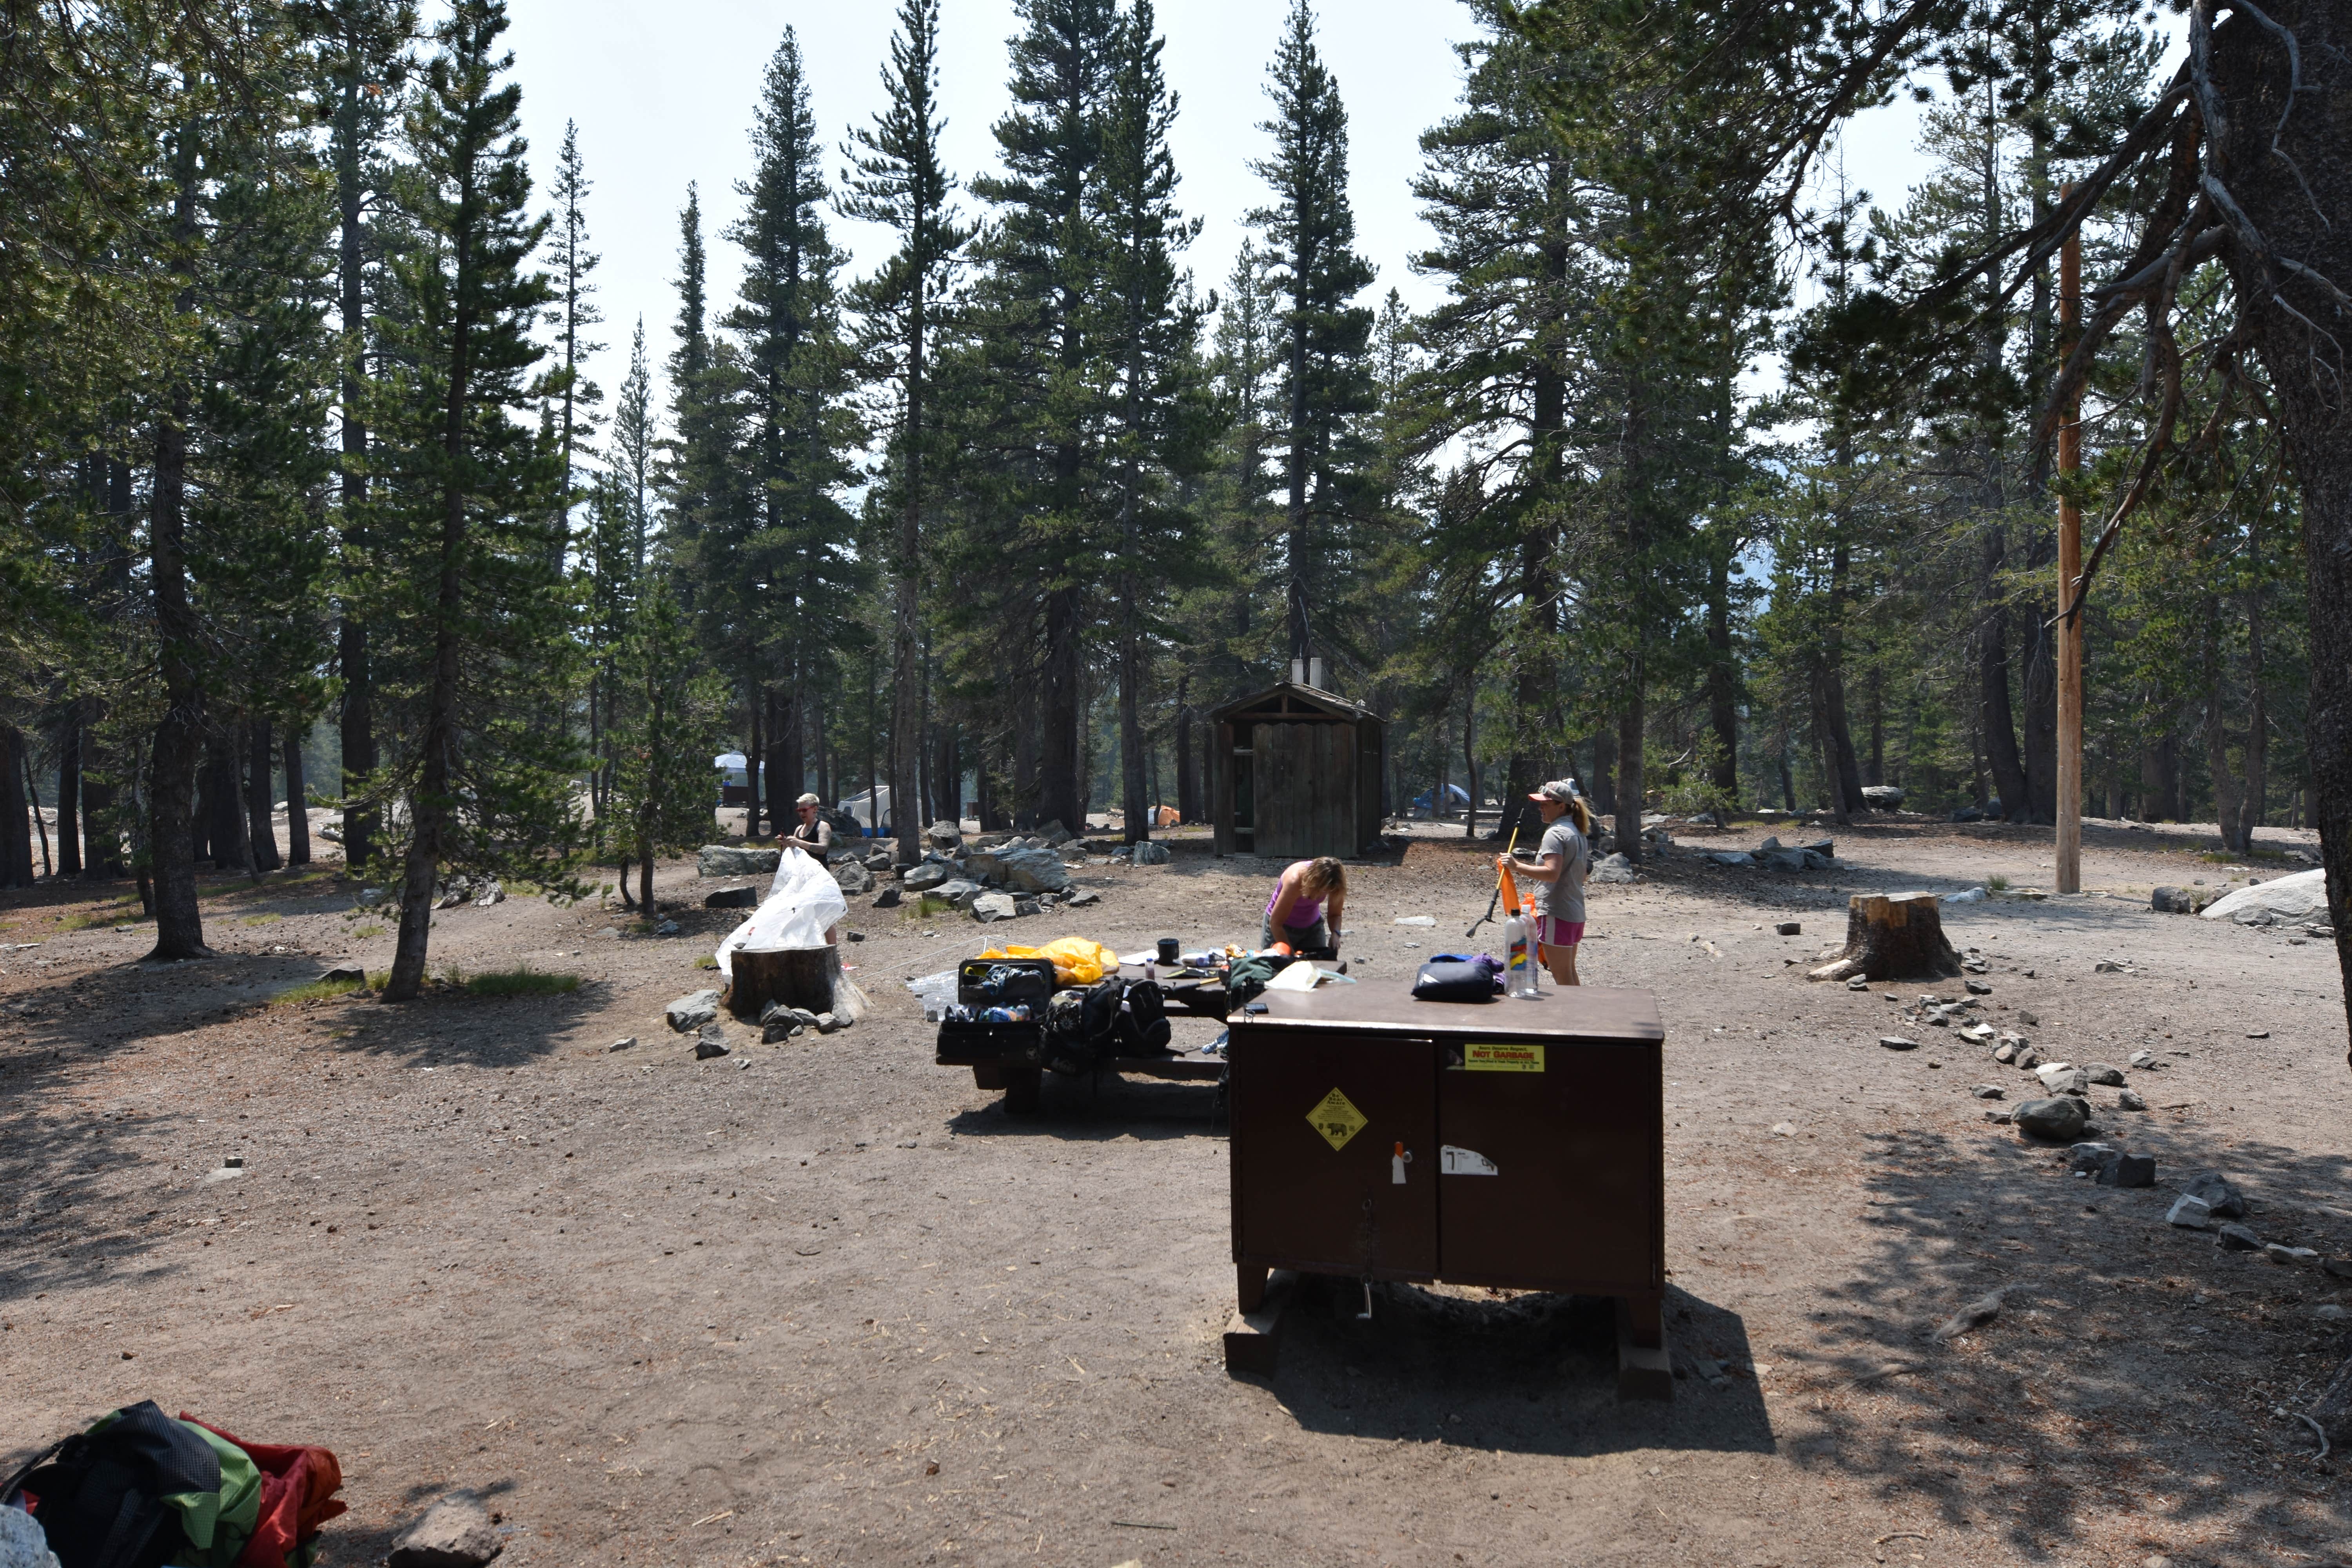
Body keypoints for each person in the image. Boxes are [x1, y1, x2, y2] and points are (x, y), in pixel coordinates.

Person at [1499, 779, 1591, 985]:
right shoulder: (1577, 832)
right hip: (1575, 912)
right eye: (1540, 803)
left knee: (1562, 976)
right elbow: (1582, 875)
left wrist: (1516, 866)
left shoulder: (1555, 834)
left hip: (1557, 912)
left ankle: (1570, 1018)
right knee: (1569, 973)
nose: (1541, 808)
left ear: (1561, 806)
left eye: (1546, 804)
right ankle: (1582, 1014)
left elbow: (1551, 873)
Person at [1263, 856, 1347, 953]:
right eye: (1323, 890)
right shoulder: (1295, 881)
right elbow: (1276, 924)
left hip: (1312, 929)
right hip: (1280, 927)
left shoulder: (1336, 883)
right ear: (1313, 881)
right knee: (1280, 966)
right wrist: (1292, 956)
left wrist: (1336, 934)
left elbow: (1335, 915)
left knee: (1319, 966)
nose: (1324, 894)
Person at [786, 793, 832, 857]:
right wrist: (785, 844)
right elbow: (793, 852)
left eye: (804, 810)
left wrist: (799, 843)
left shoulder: (822, 826)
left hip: (818, 866)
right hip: (801, 866)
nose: (801, 814)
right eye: (799, 811)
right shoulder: (799, 829)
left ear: (815, 809)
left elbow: (823, 849)